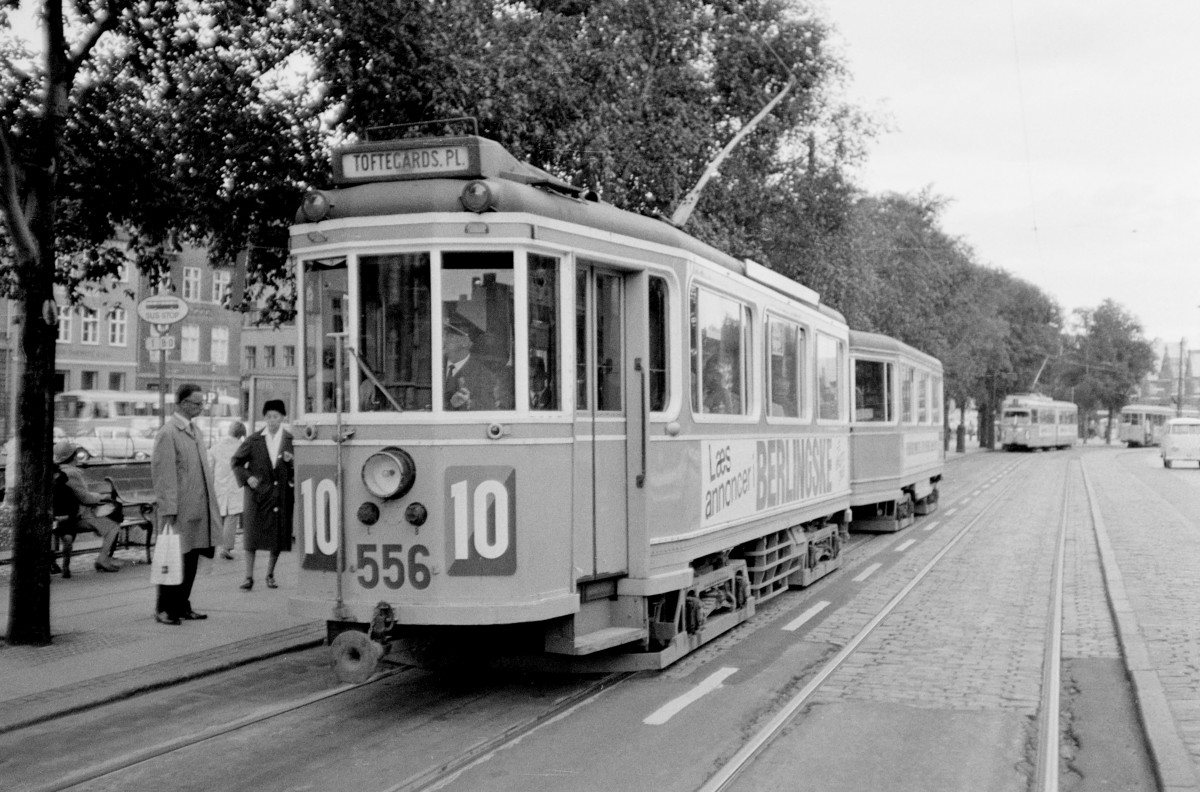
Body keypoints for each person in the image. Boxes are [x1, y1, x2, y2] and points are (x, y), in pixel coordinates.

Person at [150, 383, 219, 626]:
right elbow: (164, 475)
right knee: (173, 557)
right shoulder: (168, 433)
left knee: (191, 558)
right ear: (181, 404)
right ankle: (164, 607)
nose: (201, 407)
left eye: (202, 403)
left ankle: (182, 604)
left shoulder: (193, 431)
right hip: (179, 509)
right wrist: (168, 509)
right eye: (196, 403)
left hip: (198, 507)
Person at [232, 399, 294, 591]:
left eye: (276, 417)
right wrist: (247, 478)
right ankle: (248, 576)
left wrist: (292, 461)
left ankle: (270, 574)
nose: (272, 421)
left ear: (283, 418)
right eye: (269, 417)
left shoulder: (291, 440)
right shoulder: (254, 439)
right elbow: (236, 462)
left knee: (277, 536)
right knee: (251, 537)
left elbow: (298, 466)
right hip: (258, 495)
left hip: (280, 494)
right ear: (264, 418)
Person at [52, 440, 121, 576]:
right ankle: (102, 559)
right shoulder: (72, 473)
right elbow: (85, 498)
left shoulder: (59, 471)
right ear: (73, 456)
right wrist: (102, 497)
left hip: (60, 516)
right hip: (77, 516)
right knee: (114, 525)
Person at [208, 420, 247, 560]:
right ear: (241, 434)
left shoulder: (216, 447)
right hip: (235, 486)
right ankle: (226, 547)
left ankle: (212, 545)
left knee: (219, 517)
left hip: (219, 486)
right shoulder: (242, 447)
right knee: (232, 517)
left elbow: (210, 468)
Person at [443, 321, 496, 410]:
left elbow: (489, 409)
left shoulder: (484, 375)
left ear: (465, 342)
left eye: (450, 337)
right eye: (444, 335)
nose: (443, 340)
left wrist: (467, 403)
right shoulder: (430, 366)